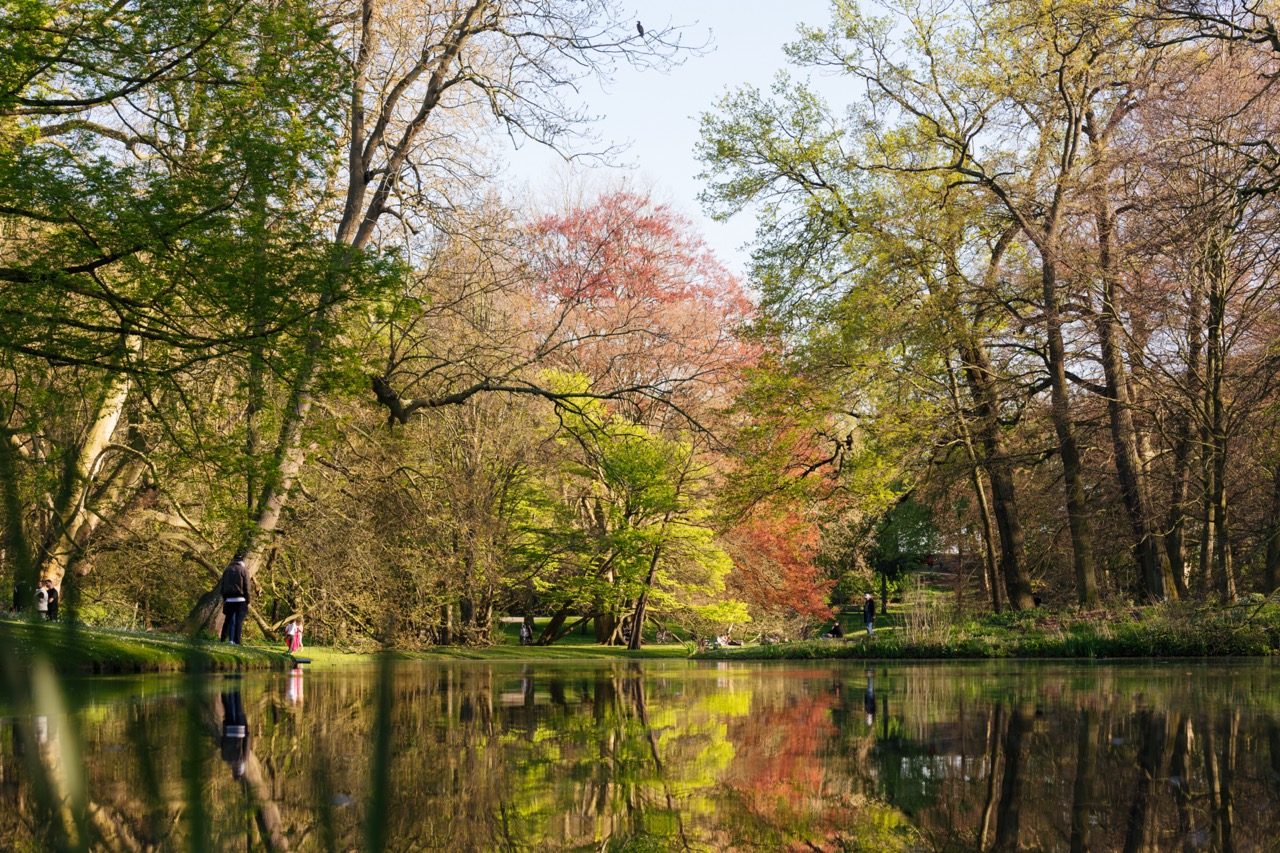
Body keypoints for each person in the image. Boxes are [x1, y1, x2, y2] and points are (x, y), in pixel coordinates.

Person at [219, 556, 250, 644]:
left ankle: (223, 639)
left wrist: (225, 598)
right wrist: (248, 599)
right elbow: (247, 586)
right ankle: (237, 641)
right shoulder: (244, 570)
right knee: (238, 621)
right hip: (240, 599)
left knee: (227, 621)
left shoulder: (227, 570)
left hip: (229, 599)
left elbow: (223, 585)